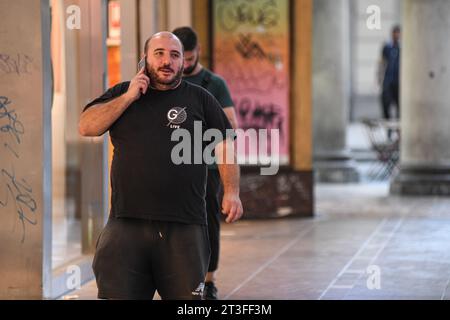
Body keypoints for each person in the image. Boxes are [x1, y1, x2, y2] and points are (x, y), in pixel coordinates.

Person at [78, 31, 243, 300]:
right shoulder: (122, 93)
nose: (167, 61)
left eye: (174, 55)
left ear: (183, 63)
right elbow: (87, 126)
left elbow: (225, 144)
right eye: (159, 54)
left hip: (185, 226)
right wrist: (129, 96)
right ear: (145, 60)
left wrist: (231, 191)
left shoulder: (200, 98)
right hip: (126, 223)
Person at [172, 26, 238, 300]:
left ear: (198, 51)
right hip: (171, 165)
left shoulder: (214, 84)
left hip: (207, 166)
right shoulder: (166, 81)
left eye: (188, 58)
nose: (184, 64)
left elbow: (230, 126)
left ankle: (208, 281)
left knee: (208, 222)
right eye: (181, 59)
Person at [378, 25, 401, 120]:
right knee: (385, 103)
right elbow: (382, 63)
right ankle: (389, 127)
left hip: (399, 82)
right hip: (388, 80)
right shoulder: (387, 47)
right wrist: (379, 78)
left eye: (398, 33)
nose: (396, 35)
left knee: (399, 105)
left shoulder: (401, 48)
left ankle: (398, 128)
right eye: (395, 33)